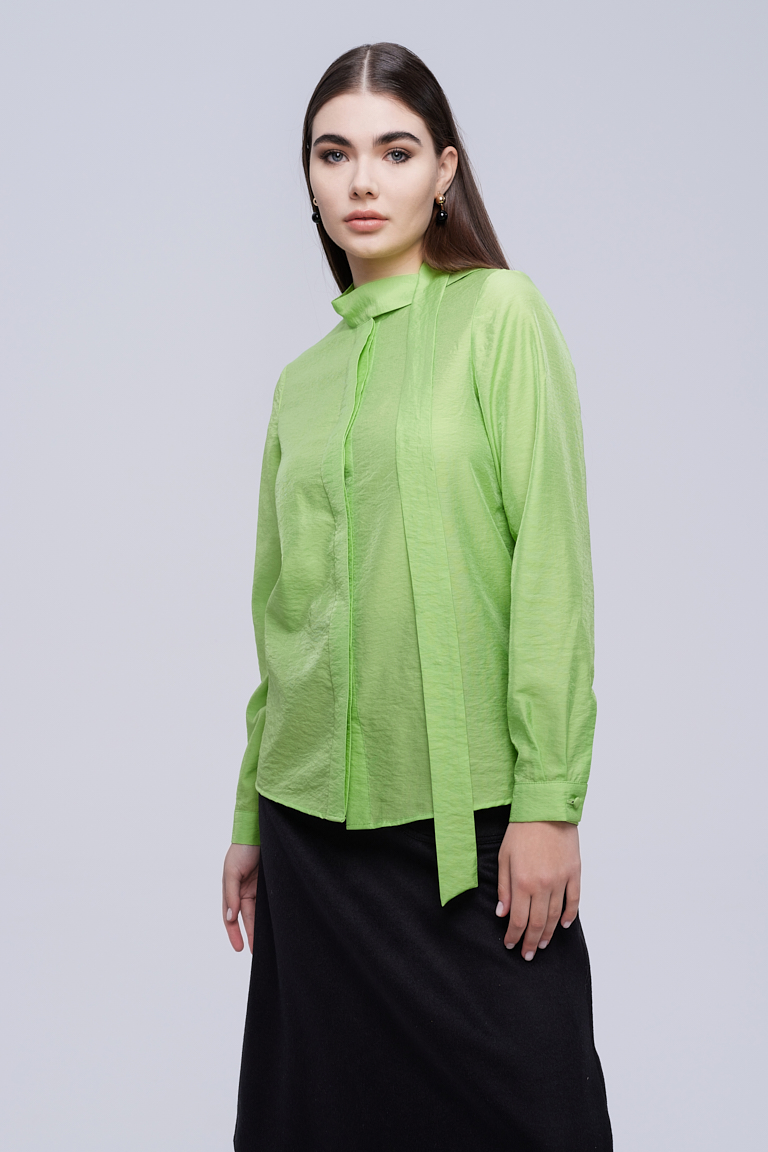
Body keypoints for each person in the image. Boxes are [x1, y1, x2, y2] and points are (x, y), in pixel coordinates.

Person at [222, 41, 612, 1152]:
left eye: (394, 152)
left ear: (445, 170)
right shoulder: (301, 382)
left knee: (541, 1119)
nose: (361, 180)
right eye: (333, 153)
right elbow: (283, 613)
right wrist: (249, 815)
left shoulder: (500, 315)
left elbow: (552, 564)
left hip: (465, 824)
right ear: (308, 178)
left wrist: (548, 801)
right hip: (308, 836)